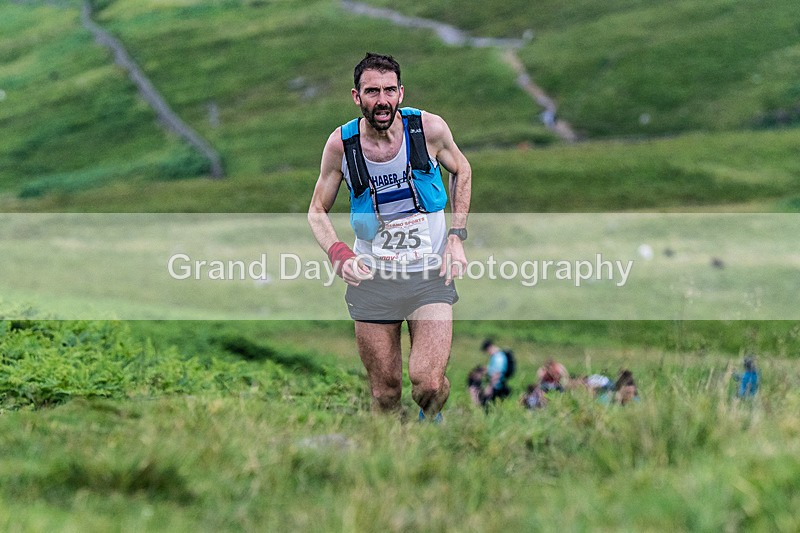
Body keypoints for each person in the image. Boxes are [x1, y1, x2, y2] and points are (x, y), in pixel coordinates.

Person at [308, 53, 472, 420]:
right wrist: (337, 252)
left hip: (429, 274)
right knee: (385, 394)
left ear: (400, 92)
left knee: (428, 384)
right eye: (371, 92)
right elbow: (316, 210)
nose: (381, 100)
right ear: (356, 97)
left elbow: (462, 169)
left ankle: (432, 417)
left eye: (388, 90)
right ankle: (395, 459)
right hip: (373, 278)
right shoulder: (342, 146)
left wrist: (457, 236)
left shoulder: (428, 129)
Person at [480, 339, 511, 404]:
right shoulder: (495, 356)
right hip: (496, 385)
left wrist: (490, 387)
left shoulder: (498, 357)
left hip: (497, 386)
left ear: (489, 348)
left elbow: (498, 374)